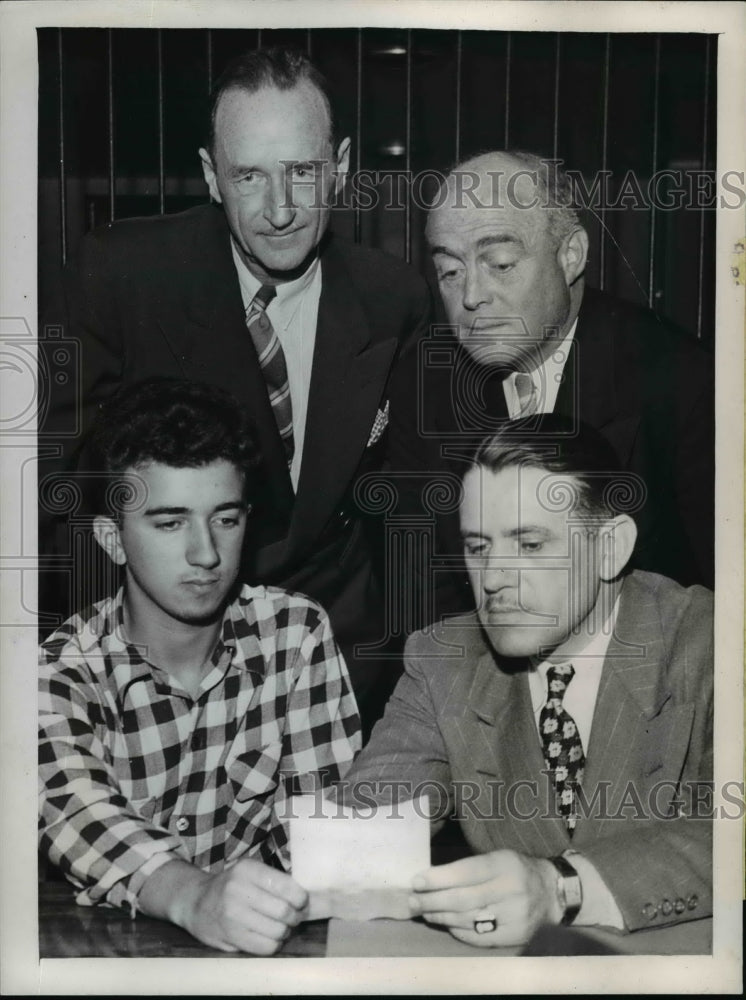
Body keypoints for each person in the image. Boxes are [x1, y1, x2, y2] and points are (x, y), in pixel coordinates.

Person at [39, 46, 431, 734]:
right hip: (158, 669)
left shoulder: (392, 297)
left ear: (340, 165)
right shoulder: (124, 275)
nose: (279, 210)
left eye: (302, 172)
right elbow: (63, 492)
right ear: (210, 176)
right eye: (249, 175)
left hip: (339, 667)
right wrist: (123, 669)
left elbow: (411, 509)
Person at [340, 416, 712, 948]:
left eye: (530, 545)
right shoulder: (444, 659)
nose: (492, 578)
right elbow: (363, 829)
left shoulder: (710, 642)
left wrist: (559, 887)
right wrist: (257, 885)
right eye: (478, 548)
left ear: (611, 547)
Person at [38, 377, 361, 955]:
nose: (206, 553)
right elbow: (74, 811)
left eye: (226, 519)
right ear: (113, 539)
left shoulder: (295, 635)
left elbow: (323, 836)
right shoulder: (59, 672)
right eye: (170, 523)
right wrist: (194, 897)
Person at [398, 150, 713, 619]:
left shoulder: (683, 381)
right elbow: (425, 597)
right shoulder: (423, 385)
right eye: (450, 271)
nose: (471, 296)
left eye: (500, 263)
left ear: (571, 256)